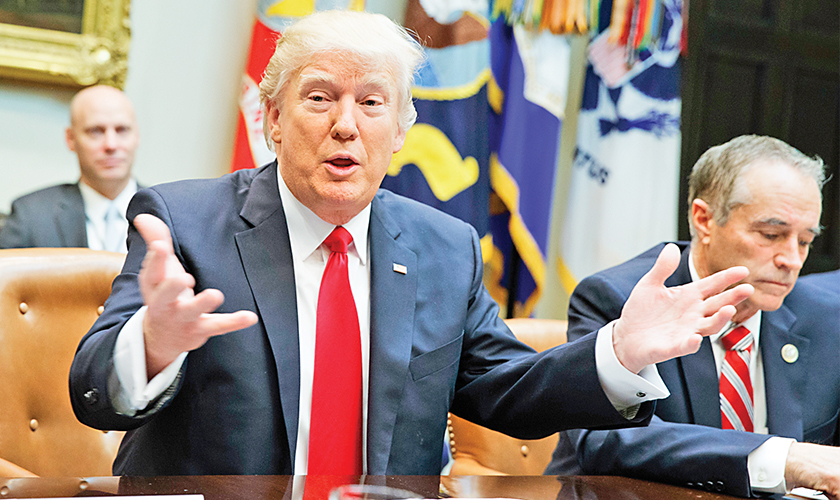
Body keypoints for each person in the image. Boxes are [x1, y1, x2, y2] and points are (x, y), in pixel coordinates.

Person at [69, 11, 751, 477]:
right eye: (319, 98)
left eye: (372, 103)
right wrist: (153, 343)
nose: (346, 125)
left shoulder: (444, 247)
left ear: (400, 129)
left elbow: (506, 390)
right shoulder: (185, 223)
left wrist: (618, 353)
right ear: (272, 118)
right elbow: (92, 390)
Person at [545, 135, 840, 498]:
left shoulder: (825, 316)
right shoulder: (620, 300)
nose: (791, 260)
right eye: (771, 234)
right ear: (705, 219)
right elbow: (607, 438)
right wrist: (783, 459)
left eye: (805, 241)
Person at [0, 85, 140, 252]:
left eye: (122, 130)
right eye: (96, 131)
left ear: (137, 135)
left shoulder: (164, 212)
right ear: (71, 139)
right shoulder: (30, 215)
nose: (111, 145)